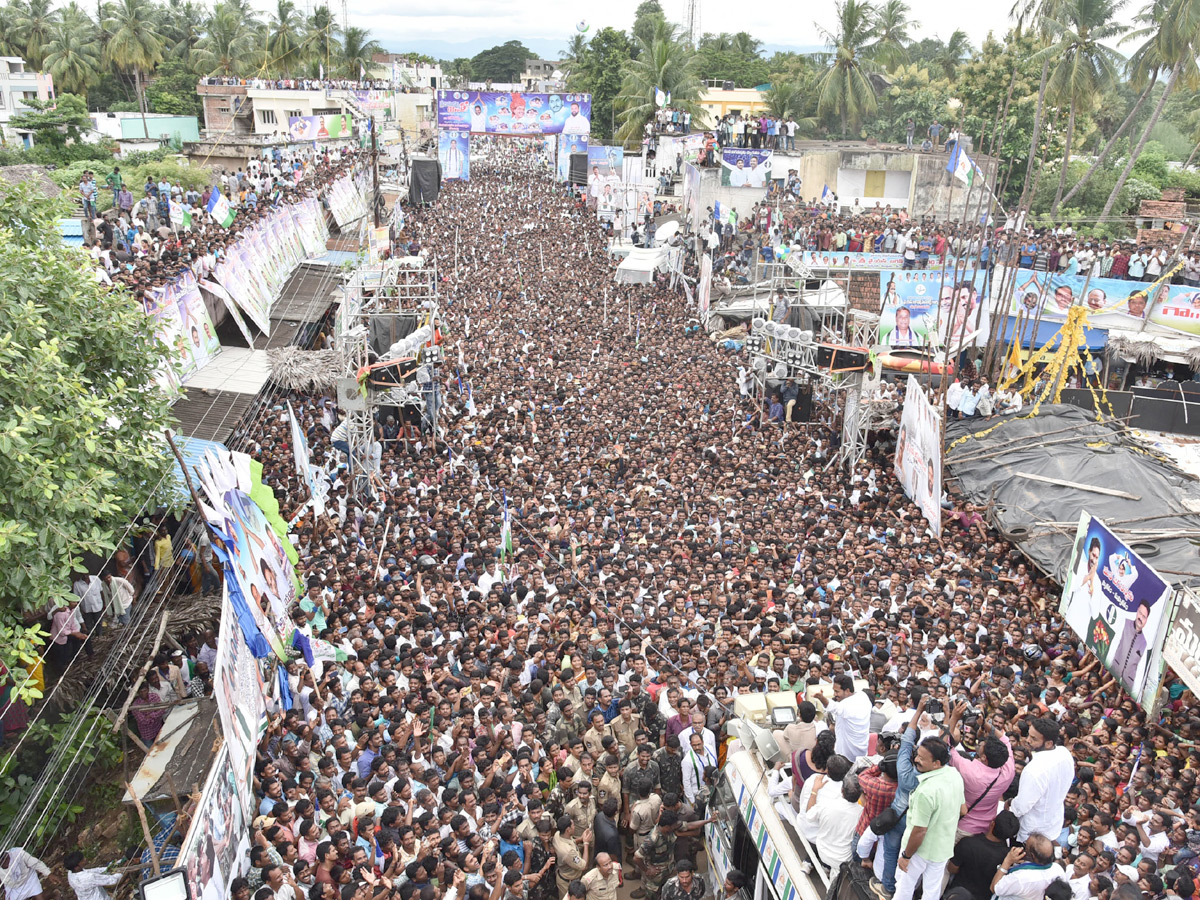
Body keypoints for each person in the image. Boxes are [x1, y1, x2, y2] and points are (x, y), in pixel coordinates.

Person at [892, 737, 965, 900]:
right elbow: (963, 809)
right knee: (931, 892)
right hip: (942, 848)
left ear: (936, 763)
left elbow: (919, 831)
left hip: (918, 851)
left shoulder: (926, 791)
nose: (916, 760)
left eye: (922, 758)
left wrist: (906, 856)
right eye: (917, 755)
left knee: (904, 888)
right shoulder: (954, 775)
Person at [1010, 718, 1075, 842]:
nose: (1027, 740)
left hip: (1032, 833)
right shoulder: (1064, 753)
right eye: (1029, 735)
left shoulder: (1034, 770)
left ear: (1049, 743)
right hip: (1053, 824)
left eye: (1034, 739)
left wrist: (1009, 805)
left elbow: (1021, 807)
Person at [947, 810, 1021, 900]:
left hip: (958, 894)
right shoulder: (1009, 857)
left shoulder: (967, 843)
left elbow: (952, 868)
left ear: (992, 824)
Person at [989, 834, 1067, 900]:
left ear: (1032, 855)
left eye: (1025, 845)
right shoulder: (1058, 869)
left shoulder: (1021, 878)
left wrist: (1007, 861)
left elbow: (994, 888)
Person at [817, 674, 873, 762]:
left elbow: (833, 707)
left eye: (837, 691)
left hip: (847, 756)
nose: (834, 694)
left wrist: (821, 698)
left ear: (847, 691)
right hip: (862, 752)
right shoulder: (863, 696)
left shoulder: (847, 704)